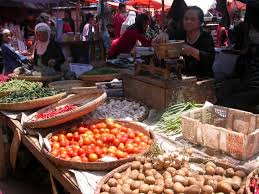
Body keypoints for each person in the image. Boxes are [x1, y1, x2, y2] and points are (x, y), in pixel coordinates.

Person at [155, 6, 215, 78]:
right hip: (183, 78)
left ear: (200, 22)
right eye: (186, 19)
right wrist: (163, 34)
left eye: (192, 19)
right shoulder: (180, 34)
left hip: (203, 79)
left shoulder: (206, 37)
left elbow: (209, 60)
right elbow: (166, 35)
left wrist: (191, 50)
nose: (188, 21)